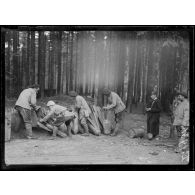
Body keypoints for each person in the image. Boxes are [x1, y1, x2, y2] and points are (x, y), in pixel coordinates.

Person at [173, 92, 189, 164]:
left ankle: (181, 149)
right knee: (179, 135)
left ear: (183, 96)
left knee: (182, 136)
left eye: (180, 96)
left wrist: (184, 123)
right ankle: (180, 148)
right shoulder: (181, 103)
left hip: (182, 123)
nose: (178, 97)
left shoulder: (186, 104)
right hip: (178, 122)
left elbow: (187, 115)